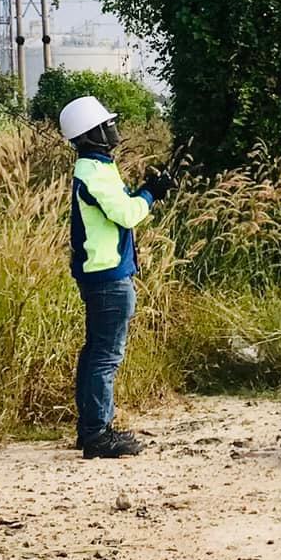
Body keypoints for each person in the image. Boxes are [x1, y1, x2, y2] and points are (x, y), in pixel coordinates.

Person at [58, 94, 173, 459]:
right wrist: (150, 195)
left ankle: (91, 429)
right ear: (90, 133)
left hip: (101, 274)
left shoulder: (97, 168)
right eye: (107, 125)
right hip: (108, 276)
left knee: (96, 353)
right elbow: (126, 215)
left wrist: (145, 192)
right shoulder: (93, 172)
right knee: (105, 357)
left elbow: (118, 209)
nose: (113, 129)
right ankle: (97, 435)